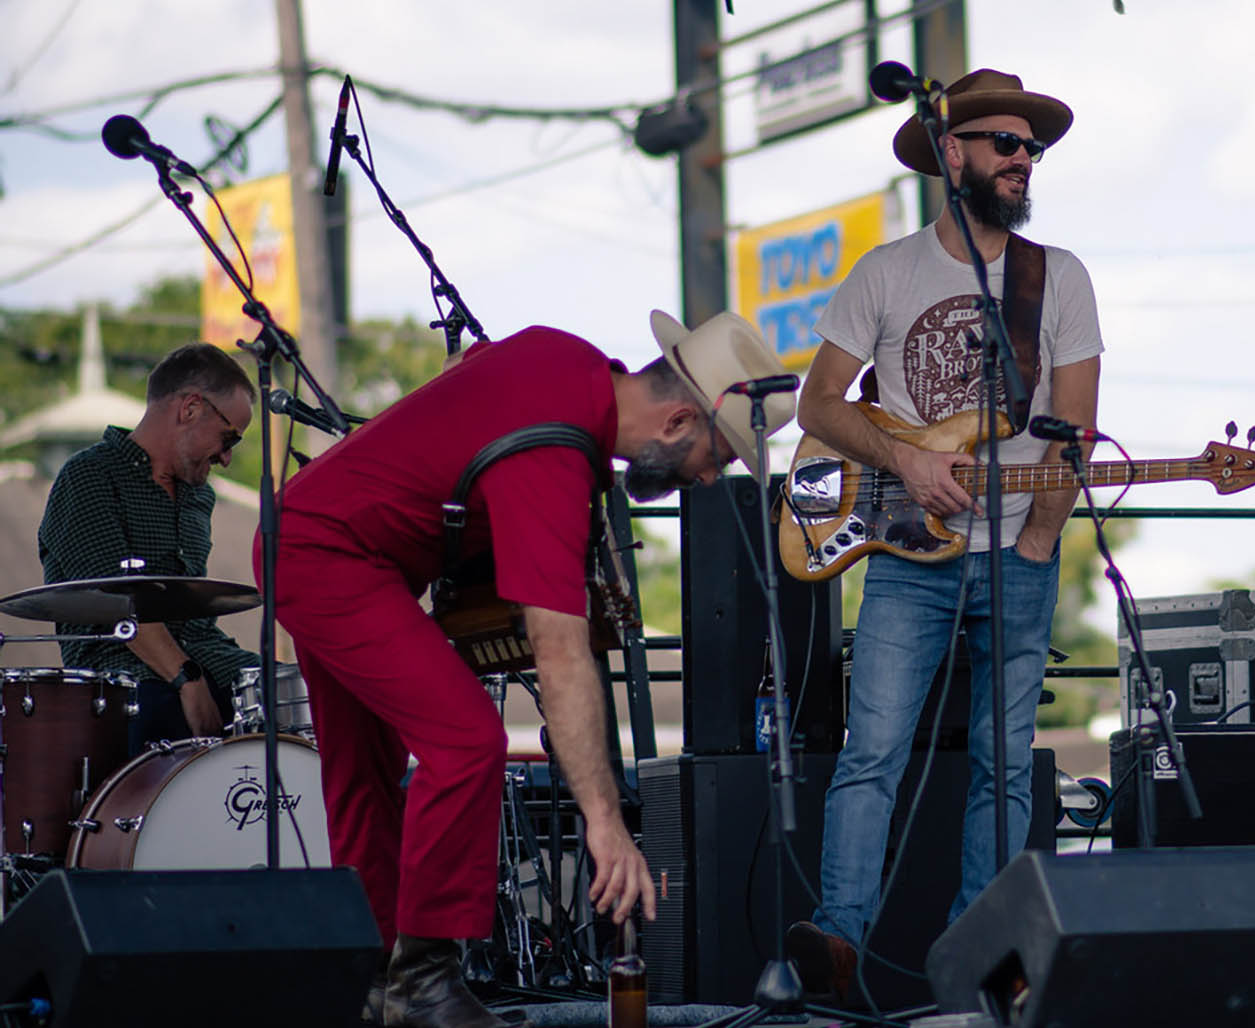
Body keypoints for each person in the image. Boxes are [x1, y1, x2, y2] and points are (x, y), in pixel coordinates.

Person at [263, 311, 794, 1028]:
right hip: (328, 556)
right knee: (467, 742)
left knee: (365, 770)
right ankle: (420, 983)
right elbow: (560, 650)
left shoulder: (566, 354)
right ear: (675, 422)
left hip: (318, 537)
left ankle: (374, 981)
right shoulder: (552, 452)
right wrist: (605, 823)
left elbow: (467, 373)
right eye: (718, 455)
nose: (707, 479)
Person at [785, 69, 1103, 1003]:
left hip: (1019, 557)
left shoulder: (1060, 278)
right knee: (870, 752)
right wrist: (910, 460)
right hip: (903, 552)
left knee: (1005, 770)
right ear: (951, 152)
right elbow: (817, 403)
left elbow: (1074, 432)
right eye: (1005, 144)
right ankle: (838, 941)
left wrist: (1042, 543)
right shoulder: (886, 271)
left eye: (1031, 149)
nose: (1022, 161)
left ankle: (982, 958)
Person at [42, 342, 259, 753]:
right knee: (158, 710)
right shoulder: (89, 477)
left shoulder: (199, 497)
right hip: (121, 682)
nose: (228, 458)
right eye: (229, 437)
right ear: (190, 408)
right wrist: (188, 681)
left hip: (209, 661)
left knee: (301, 695)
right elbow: (114, 603)